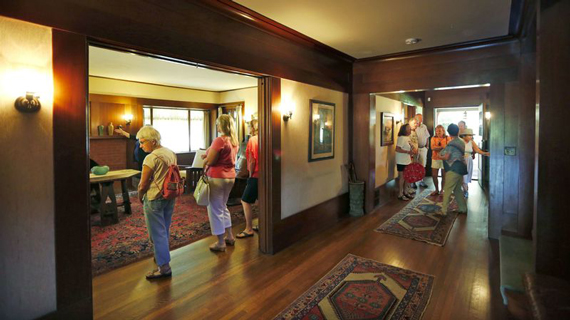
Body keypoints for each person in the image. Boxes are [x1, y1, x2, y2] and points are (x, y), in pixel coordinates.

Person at [136, 126, 177, 279]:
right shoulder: (170, 153)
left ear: (153, 141)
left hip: (154, 197)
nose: (141, 146)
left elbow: (143, 184)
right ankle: (161, 256)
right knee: (164, 229)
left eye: (142, 142)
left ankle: (164, 267)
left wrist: (140, 195)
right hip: (169, 195)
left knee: (157, 233)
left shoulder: (151, 158)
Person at [202, 114, 239, 252]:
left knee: (215, 209)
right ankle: (230, 236)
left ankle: (220, 242)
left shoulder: (220, 140)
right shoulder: (234, 141)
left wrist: (205, 160)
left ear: (222, 125)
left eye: (218, 124)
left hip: (217, 177)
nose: (217, 126)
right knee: (223, 207)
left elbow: (211, 161)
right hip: (230, 176)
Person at [439, 124, 468, 215]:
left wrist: (440, 156)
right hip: (461, 167)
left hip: (454, 168)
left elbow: (447, 157)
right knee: (457, 189)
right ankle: (463, 208)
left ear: (448, 132)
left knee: (447, 189)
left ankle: (443, 211)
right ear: (458, 131)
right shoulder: (461, 141)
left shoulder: (451, 143)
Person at [237, 119, 258, 239]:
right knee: (261, 200)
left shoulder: (252, 140)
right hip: (265, 175)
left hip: (255, 174)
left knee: (245, 200)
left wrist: (250, 175)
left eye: (249, 126)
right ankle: (262, 224)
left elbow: (252, 160)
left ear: (253, 128)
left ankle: (248, 228)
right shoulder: (266, 137)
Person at [460, 128, 490, 197]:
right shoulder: (460, 141)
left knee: (466, 177)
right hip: (461, 160)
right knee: (462, 177)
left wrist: (486, 153)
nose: (471, 137)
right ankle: (465, 190)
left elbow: (478, 150)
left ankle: (465, 190)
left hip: (469, 160)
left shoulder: (472, 142)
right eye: (469, 135)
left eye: (471, 135)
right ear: (464, 136)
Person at [395, 123, 417, 200]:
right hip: (401, 160)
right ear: (404, 130)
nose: (410, 129)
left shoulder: (407, 138)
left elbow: (410, 147)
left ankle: (406, 192)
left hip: (407, 160)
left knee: (407, 177)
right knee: (402, 177)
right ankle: (400, 194)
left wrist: (412, 150)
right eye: (408, 128)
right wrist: (408, 152)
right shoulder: (401, 138)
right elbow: (397, 149)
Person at [430, 125, 450, 196]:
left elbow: (449, 148)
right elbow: (432, 148)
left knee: (444, 175)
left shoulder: (448, 138)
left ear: (443, 131)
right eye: (437, 131)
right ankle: (436, 189)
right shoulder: (433, 138)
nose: (438, 132)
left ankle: (442, 190)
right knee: (434, 175)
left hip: (445, 159)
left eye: (439, 131)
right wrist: (442, 147)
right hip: (435, 158)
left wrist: (437, 147)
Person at [414, 114, 430, 188]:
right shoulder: (414, 126)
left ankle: (421, 181)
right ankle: (413, 182)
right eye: (420, 118)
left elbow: (427, 137)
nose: (421, 119)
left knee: (423, 165)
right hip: (415, 149)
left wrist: (427, 146)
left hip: (423, 148)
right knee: (414, 165)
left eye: (422, 118)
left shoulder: (424, 126)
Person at [407, 117, 419, 193]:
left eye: (416, 123)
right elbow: (408, 142)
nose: (416, 125)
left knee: (413, 170)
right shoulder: (408, 132)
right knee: (409, 170)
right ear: (410, 123)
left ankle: (410, 186)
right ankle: (408, 187)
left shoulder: (415, 132)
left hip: (415, 154)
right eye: (414, 123)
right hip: (409, 155)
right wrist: (413, 149)